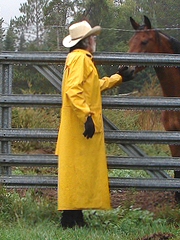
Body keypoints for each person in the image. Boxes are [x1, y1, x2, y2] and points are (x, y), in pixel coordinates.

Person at [55, 20, 134, 229]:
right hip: (80, 126)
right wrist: (86, 117)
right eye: (92, 37)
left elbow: (91, 86)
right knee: (78, 169)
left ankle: (74, 216)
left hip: (77, 126)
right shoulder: (80, 60)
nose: (94, 40)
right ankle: (69, 219)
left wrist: (117, 78)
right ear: (85, 42)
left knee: (78, 170)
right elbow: (73, 90)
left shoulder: (78, 59)